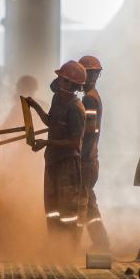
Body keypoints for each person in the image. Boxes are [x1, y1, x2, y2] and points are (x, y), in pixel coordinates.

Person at [26, 61, 87, 242]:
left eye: (62, 78)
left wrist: (47, 142)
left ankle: (68, 247)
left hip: (67, 165)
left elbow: (75, 143)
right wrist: (35, 106)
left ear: (71, 84)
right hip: (52, 160)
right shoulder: (57, 99)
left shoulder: (76, 109)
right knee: (52, 207)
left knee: (67, 210)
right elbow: (50, 122)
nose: (58, 81)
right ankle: (54, 245)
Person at [77, 55, 110, 252]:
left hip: (86, 159)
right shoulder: (93, 96)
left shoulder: (89, 99)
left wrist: (81, 156)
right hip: (90, 158)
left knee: (86, 202)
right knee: (88, 202)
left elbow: (89, 131)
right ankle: (100, 241)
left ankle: (101, 241)